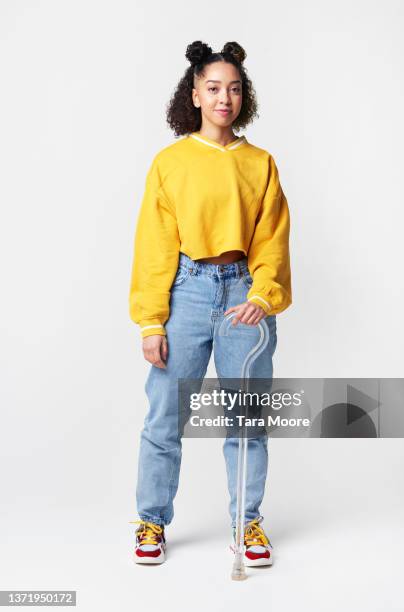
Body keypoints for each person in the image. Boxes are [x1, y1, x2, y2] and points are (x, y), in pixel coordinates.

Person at [128, 40, 292, 566]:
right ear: (194, 93)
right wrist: (152, 321)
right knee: (165, 417)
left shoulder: (261, 163)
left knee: (247, 417)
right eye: (214, 87)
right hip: (188, 291)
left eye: (235, 88)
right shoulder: (171, 162)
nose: (226, 97)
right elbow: (155, 246)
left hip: (245, 290)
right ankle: (151, 520)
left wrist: (264, 297)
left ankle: (247, 525)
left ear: (246, 97)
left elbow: (272, 240)